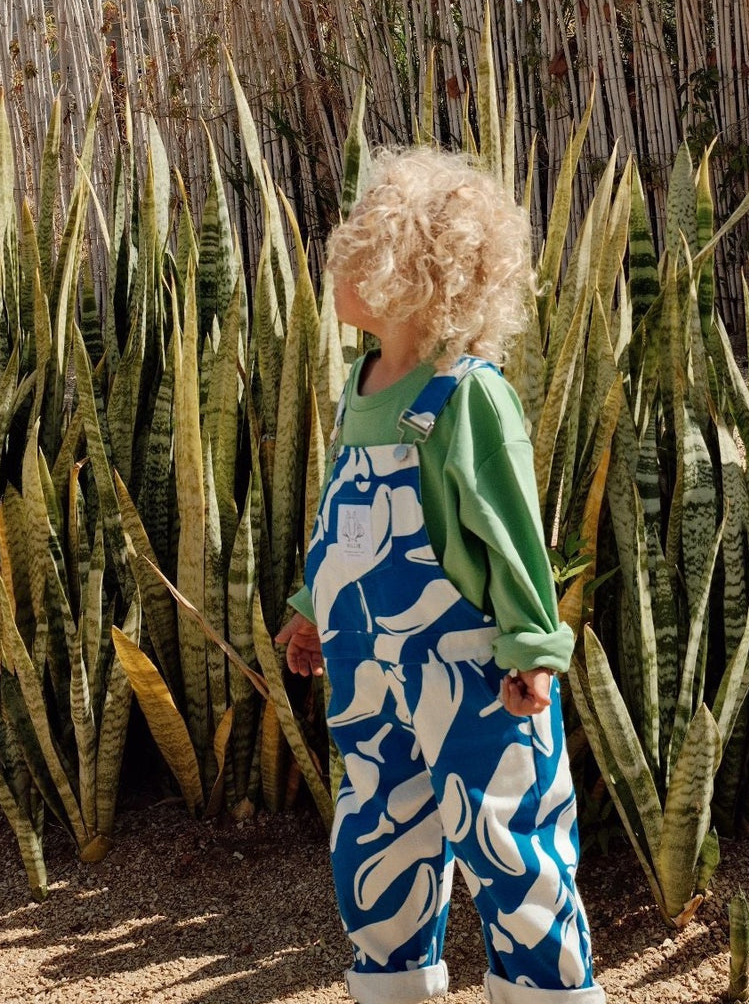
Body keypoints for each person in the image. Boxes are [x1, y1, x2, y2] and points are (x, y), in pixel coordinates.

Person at [276, 146, 605, 1004]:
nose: (337, 264)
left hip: (472, 676)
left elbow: (513, 535)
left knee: (509, 836)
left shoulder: (465, 396)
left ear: (411, 279)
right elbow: (342, 520)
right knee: (377, 829)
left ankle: (546, 991)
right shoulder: (360, 388)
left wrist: (533, 647)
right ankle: (393, 982)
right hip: (367, 670)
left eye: (357, 253)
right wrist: (313, 605)